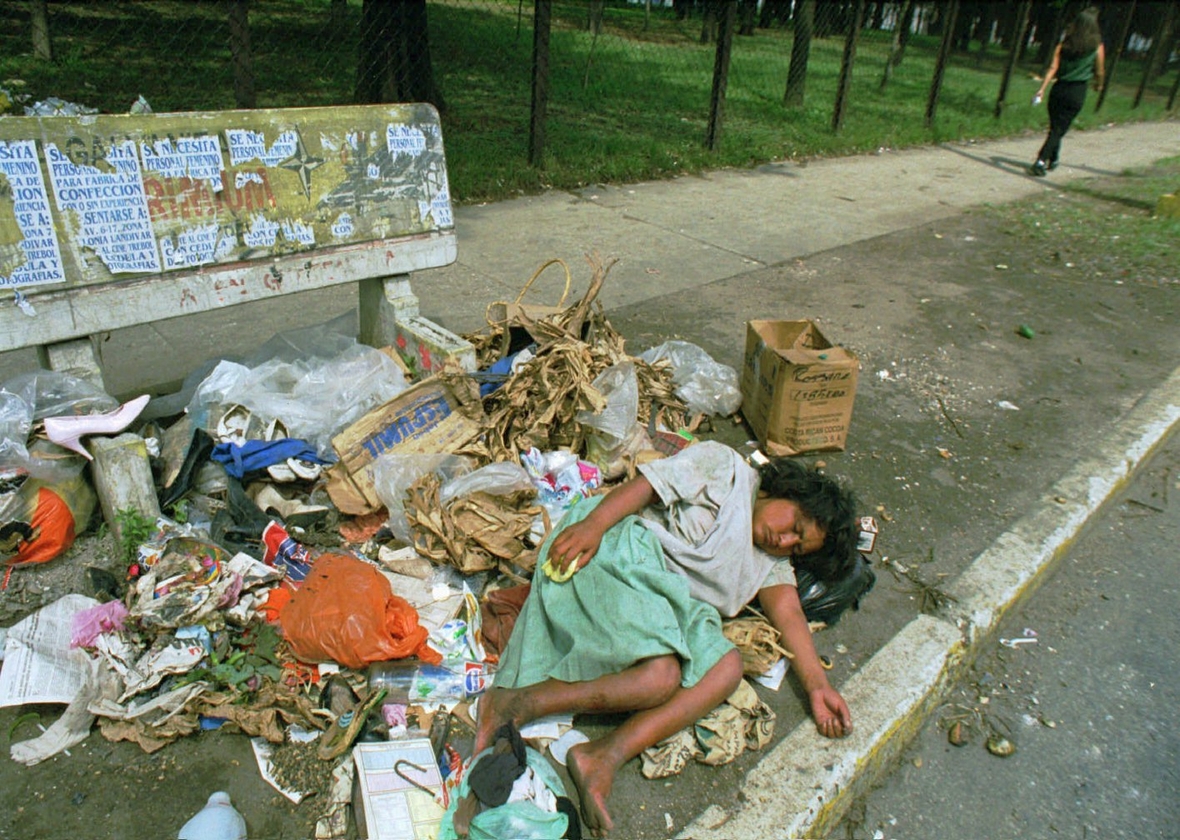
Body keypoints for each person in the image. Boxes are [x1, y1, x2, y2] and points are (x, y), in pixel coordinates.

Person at [472, 441, 860, 836]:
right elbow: (645, 488)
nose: (785, 541)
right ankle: (516, 703)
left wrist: (817, 687)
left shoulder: (770, 563)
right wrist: (593, 525)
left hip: (669, 601)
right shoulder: (726, 469)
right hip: (624, 552)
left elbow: (790, 613)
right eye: (795, 526)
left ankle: (602, 755)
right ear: (789, 493)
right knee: (660, 677)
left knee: (727, 666)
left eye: (799, 546)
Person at [1029, 6, 1105, 177]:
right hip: (1077, 91)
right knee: (1059, 129)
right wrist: (1098, 85)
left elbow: (1052, 68)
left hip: (1059, 89)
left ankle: (1054, 157)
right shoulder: (1097, 47)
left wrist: (1042, 89)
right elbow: (1100, 71)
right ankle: (1041, 160)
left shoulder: (1063, 45)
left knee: (1056, 127)